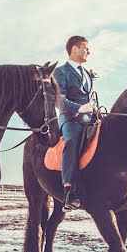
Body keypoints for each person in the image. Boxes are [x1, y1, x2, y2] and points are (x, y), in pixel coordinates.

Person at [52, 35, 96, 210]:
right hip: (70, 118)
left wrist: (93, 109)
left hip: (91, 116)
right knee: (71, 142)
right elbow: (58, 100)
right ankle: (69, 191)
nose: (89, 52)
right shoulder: (60, 72)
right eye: (86, 48)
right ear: (74, 49)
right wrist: (80, 108)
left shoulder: (87, 74)